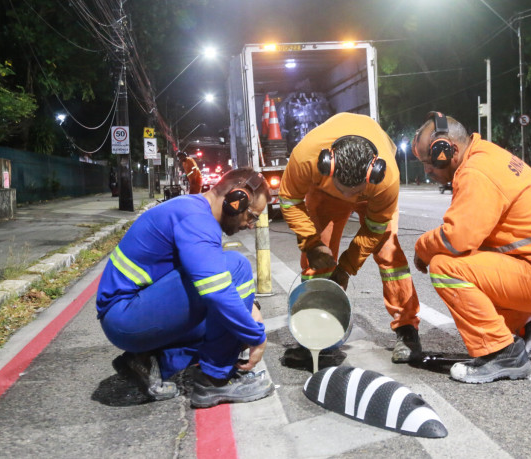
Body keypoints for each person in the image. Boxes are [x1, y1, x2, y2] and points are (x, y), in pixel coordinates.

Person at [411, 112, 531, 384]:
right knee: (470, 264)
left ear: (447, 150)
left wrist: (422, 248)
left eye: (428, 162)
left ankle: (501, 352)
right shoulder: (483, 155)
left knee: (445, 267)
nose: (427, 170)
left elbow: (457, 238)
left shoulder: (476, 172)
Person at [96, 167, 275, 407]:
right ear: (236, 200)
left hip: (130, 313)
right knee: (237, 267)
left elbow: (206, 272)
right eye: (252, 216)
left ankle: (152, 363)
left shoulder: (193, 210)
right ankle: (215, 381)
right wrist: (257, 337)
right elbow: (216, 290)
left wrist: (249, 308)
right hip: (125, 316)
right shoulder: (196, 219)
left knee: (234, 322)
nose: (251, 225)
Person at [279, 112, 422, 363]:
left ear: (373, 174)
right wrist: (311, 242)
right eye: (343, 190)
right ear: (327, 165)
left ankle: (407, 330)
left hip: (371, 197)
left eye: (354, 193)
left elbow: (375, 229)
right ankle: (316, 333)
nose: (349, 198)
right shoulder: (306, 157)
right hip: (324, 194)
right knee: (316, 261)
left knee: (390, 254)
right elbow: (290, 199)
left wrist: (346, 268)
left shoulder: (386, 181)